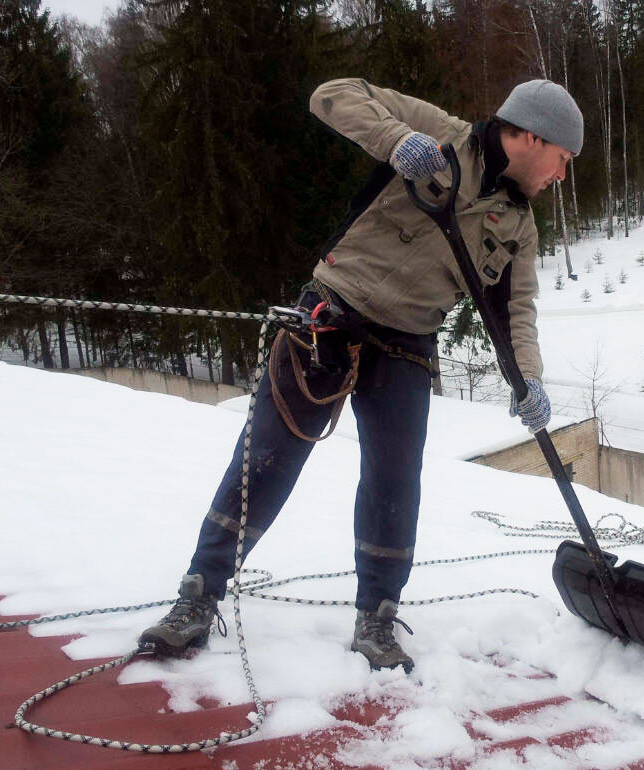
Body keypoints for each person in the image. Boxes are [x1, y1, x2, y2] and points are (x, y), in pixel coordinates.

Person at [139, 77, 584, 673]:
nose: (562, 176)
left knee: (395, 480)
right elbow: (330, 94)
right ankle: (198, 595)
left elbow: (516, 312)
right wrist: (396, 141)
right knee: (268, 456)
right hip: (332, 313)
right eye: (563, 159)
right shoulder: (442, 137)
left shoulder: (518, 226)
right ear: (532, 136)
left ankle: (376, 616)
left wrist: (527, 379)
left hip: (406, 343)